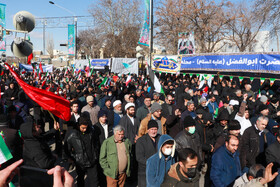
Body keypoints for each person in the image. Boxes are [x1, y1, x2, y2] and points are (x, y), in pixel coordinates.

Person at [64, 116, 100, 187]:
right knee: (80, 180)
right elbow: (66, 148)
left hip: (92, 161)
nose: (85, 129)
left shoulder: (91, 131)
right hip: (80, 162)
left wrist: (96, 154)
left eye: (86, 127)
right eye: (83, 128)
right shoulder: (72, 134)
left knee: (95, 181)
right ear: (78, 125)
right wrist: (74, 157)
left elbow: (96, 144)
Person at [135, 120, 160, 187]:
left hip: (158, 170)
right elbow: (139, 157)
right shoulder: (141, 141)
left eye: (155, 129)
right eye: (152, 129)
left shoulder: (160, 138)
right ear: (148, 129)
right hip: (145, 171)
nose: (154, 131)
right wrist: (151, 163)